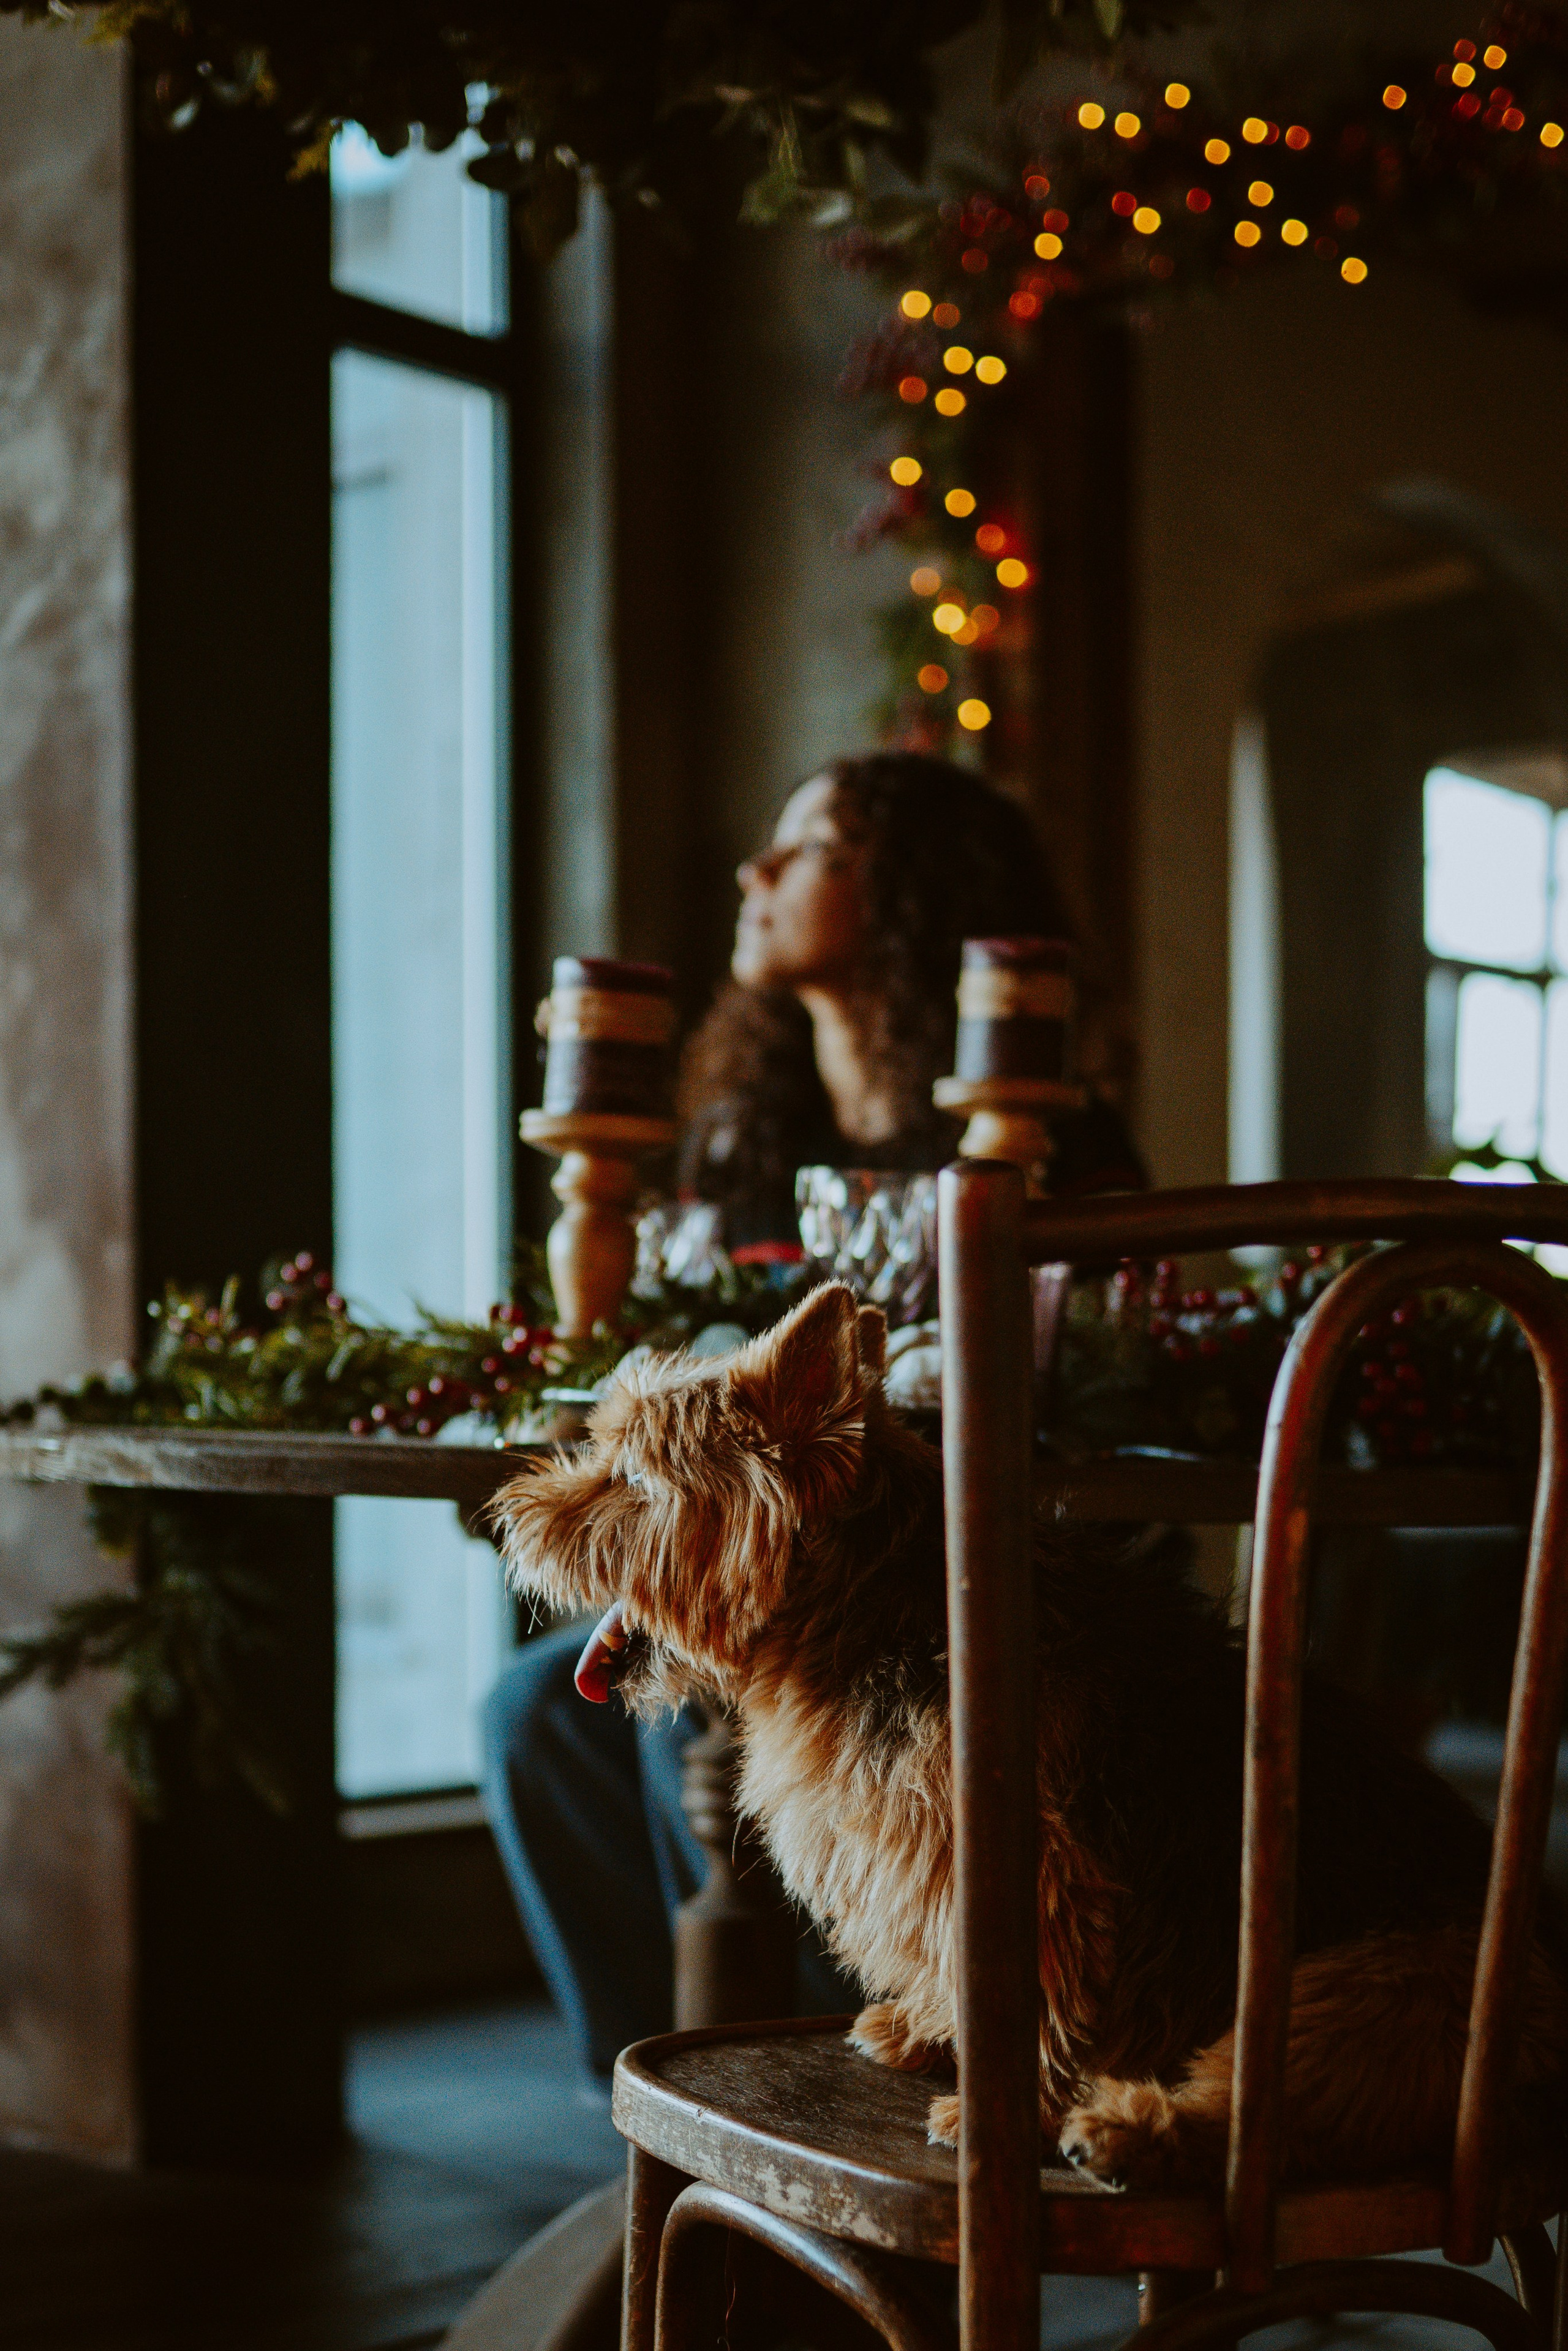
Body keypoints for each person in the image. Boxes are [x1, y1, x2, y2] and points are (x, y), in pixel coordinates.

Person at [481, 752, 1142, 2087]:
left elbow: (1099, 1387)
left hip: (942, 1601)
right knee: (534, 1712)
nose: (757, 871)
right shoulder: (746, 1133)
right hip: (757, 1574)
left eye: (812, 846)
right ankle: (660, 2094)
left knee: (693, 1718)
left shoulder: (1052, 1146)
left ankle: (805, 2088)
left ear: (908, 891)